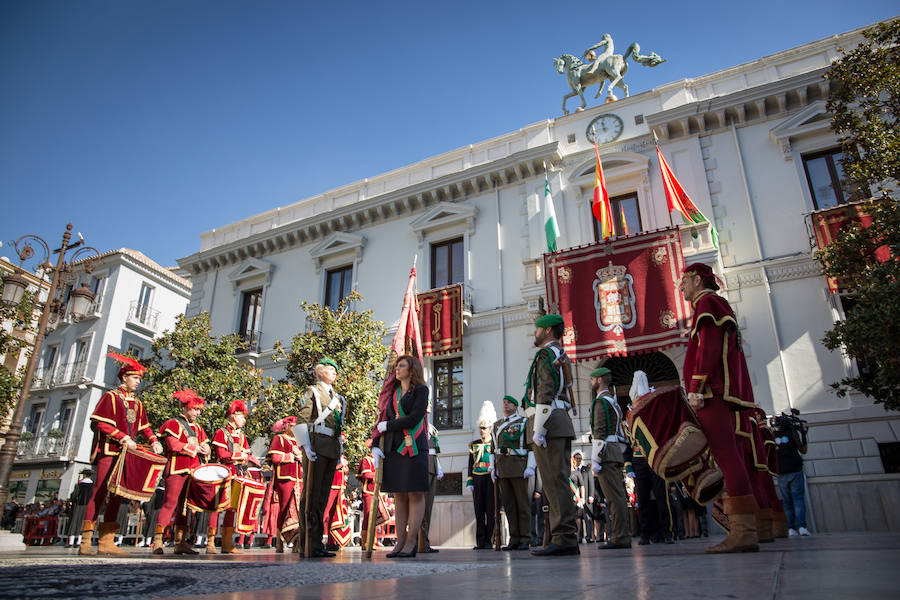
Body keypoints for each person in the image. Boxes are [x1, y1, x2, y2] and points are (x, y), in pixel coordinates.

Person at [680, 262, 759, 553]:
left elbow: (709, 348)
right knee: (730, 456)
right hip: (715, 391)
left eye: (685, 280)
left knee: (726, 457)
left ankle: (743, 531)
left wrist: (697, 387)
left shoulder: (707, 304)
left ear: (698, 280)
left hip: (711, 392)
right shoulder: (712, 304)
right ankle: (746, 529)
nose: (681, 286)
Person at [81, 353, 163, 556]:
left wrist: (154, 440)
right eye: (135, 378)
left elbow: (144, 427)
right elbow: (100, 423)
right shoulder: (110, 397)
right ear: (124, 377)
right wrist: (123, 437)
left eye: (139, 379)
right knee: (100, 492)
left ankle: (106, 540)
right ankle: (85, 540)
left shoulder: (138, 403)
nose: (138, 382)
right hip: (109, 450)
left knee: (118, 495)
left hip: (126, 454)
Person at [524, 314, 579, 556]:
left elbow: (544, 390)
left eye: (537, 329)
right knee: (558, 480)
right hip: (559, 421)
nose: (534, 333)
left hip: (549, 422)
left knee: (554, 482)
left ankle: (564, 537)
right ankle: (564, 535)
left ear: (547, 330)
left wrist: (539, 428)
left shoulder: (546, 355)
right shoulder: (561, 354)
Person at [374, 354, 430, 558]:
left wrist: (389, 425)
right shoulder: (393, 393)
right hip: (395, 448)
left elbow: (415, 417)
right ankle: (400, 542)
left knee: (415, 493)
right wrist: (375, 443)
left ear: (411, 369)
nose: (397, 369)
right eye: (397, 366)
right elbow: (382, 418)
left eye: (402, 366)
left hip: (415, 446)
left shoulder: (421, 391)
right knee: (398, 494)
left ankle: (412, 541)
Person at [295, 357, 345, 558]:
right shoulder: (313, 391)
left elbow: (338, 426)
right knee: (312, 495)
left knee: (323, 496)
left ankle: (317, 541)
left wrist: (340, 450)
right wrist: (305, 445)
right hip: (316, 445)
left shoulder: (337, 397)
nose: (334, 372)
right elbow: (302, 419)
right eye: (330, 369)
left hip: (331, 447)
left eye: (335, 370)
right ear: (320, 371)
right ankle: (307, 542)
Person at [151, 389, 211, 555]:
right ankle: (157, 540)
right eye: (195, 409)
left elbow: (205, 444)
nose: (198, 413)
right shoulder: (173, 423)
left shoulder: (198, 428)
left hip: (193, 471)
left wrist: (206, 449)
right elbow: (173, 445)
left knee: (185, 507)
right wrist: (193, 448)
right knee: (170, 503)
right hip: (177, 469)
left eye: (199, 410)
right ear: (185, 408)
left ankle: (180, 541)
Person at [589, 367, 631, 550]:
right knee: (618, 496)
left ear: (599, 380)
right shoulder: (612, 401)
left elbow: (599, 432)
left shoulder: (600, 403)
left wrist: (595, 459)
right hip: (614, 451)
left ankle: (620, 536)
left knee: (614, 498)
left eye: (592, 379)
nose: (591, 382)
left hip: (605, 453)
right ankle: (622, 534)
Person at [210, 399, 259, 553]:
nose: (244, 420)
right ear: (233, 416)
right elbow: (222, 454)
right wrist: (240, 455)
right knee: (217, 507)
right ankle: (210, 542)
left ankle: (227, 543)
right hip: (222, 475)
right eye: (241, 416)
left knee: (232, 509)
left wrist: (245, 457)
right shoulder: (221, 433)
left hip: (236, 475)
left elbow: (247, 454)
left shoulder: (241, 436)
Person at [491, 395, 535, 551]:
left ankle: (525, 538)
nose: (506, 405)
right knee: (509, 505)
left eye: (509, 403)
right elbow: (493, 449)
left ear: (516, 406)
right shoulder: (496, 425)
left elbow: (531, 446)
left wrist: (530, 466)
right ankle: (514, 538)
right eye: (504, 403)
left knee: (522, 504)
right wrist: (493, 467)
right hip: (503, 468)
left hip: (519, 466)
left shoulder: (523, 422)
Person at [267, 416, 303, 552]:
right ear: (286, 426)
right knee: (284, 508)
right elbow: (275, 458)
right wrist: (290, 457)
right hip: (285, 478)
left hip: (298, 478)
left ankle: (297, 541)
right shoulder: (279, 439)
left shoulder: (299, 441)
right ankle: (279, 541)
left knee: (299, 509)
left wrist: (301, 457)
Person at [774, 410, 810, 537]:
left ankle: (790, 528)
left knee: (787, 501)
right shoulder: (792, 433)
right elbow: (803, 450)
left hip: (781, 471)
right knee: (798, 499)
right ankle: (801, 527)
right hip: (795, 469)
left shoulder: (772, 435)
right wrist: (803, 435)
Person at [467, 401, 495, 550]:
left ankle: (490, 540)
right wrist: (470, 481)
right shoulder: (474, 444)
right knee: (479, 511)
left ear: (490, 429)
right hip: (477, 478)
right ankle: (480, 541)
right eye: (480, 428)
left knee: (490, 511)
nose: (482, 431)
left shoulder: (494, 444)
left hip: (490, 479)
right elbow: (470, 463)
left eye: (484, 428)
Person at [421, 410, 444, 553]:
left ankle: (424, 541)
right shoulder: (418, 424)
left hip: (432, 466)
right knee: (420, 508)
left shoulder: (432, 428)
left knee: (428, 508)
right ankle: (418, 540)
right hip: (422, 467)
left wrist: (438, 466)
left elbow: (434, 450)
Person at [323, 455, 352, 550]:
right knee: (325, 513)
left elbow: (345, 470)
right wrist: (340, 464)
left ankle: (332, 540)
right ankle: (321, 538)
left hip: (340, 486)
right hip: (330, 485)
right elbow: (326, 466)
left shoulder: (342, 455)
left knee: (336, 515)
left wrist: (344, 466)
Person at [65, 469, 93, 548]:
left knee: (74, 522)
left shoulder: (79, 485)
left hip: (78, 505)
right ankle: (79, 541)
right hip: (87, 506)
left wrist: (72, 500)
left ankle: (71, 542)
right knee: (82, 523)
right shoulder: (92, 486)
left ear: (84, 475)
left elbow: (74, 495)